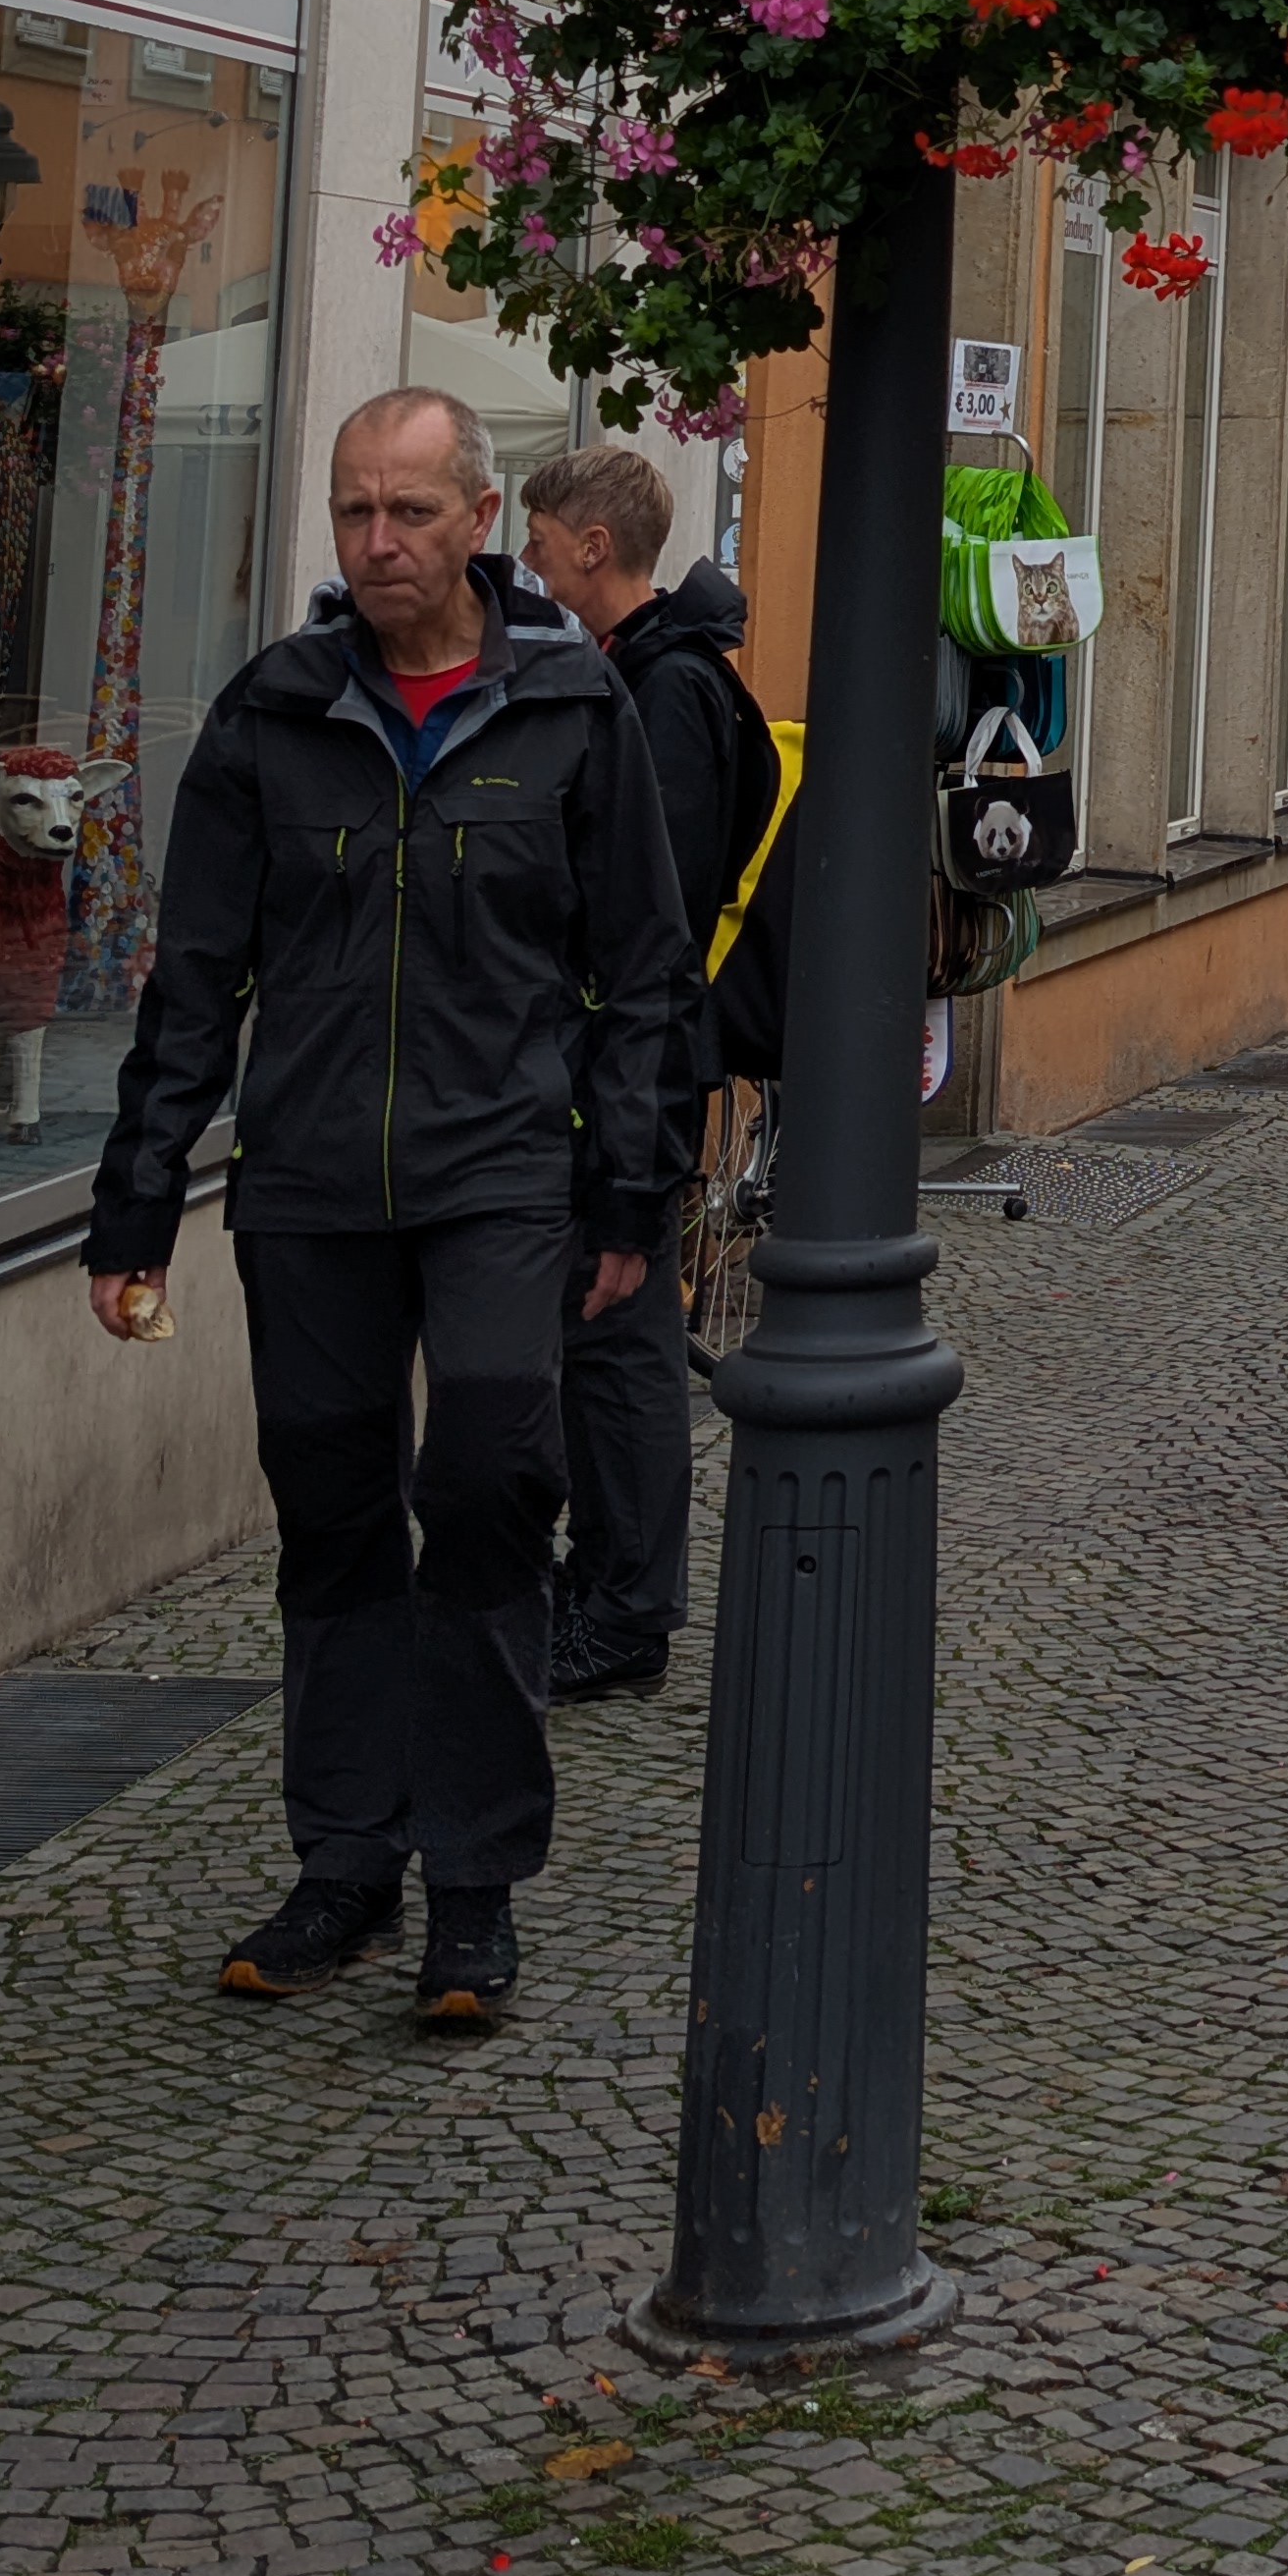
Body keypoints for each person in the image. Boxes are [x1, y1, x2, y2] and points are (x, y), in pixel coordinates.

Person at [85, 388, 694, 2037]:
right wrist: (136, 1206)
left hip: (502, 1173)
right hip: (308, 1185)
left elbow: (643, 972)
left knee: (489, 1484)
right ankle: (346, 1863)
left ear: (482, 521)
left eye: (410, 511)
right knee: (335, 1516)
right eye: (356, 510)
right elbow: (194, 981)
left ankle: (474, 1883)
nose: (378, 541)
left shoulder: (570, 706)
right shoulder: (274, 711)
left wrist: (632, 1191)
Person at [514, 438, 785, 1706]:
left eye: (538, 541)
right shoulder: (641, 670)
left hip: (633, 1062)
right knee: (600, 1335)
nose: (527, 564)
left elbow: (647, 907)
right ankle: (600, 1584)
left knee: (622, 1344)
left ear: (593, 547)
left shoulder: (665, 691)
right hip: (614, 1054)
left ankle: (625, 1611)